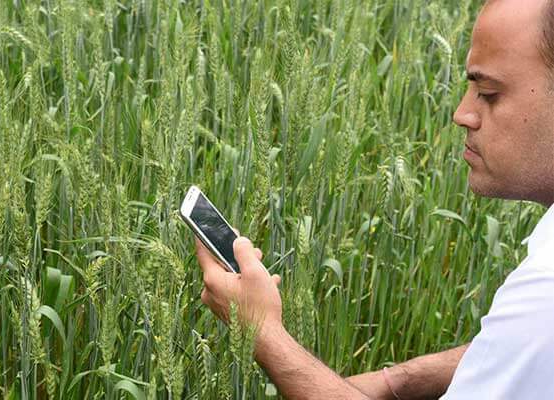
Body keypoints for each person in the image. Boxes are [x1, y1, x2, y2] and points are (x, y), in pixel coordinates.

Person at [195, 0, 554, 398]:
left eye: (487, 92)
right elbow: (515, 350)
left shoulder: (544, 296)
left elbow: (534, 329)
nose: (462, 113)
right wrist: (395, 382)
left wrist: (263, 333)